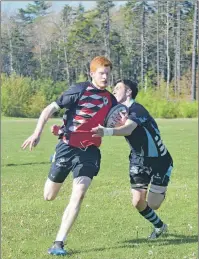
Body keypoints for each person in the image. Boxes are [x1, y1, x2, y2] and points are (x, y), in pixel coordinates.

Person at [21, 56, 118, 255]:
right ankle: (55, 158)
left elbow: (115, 121)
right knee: (49, 196)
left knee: (79, 194)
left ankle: (58, 243)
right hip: (66, 147)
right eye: (102, 73)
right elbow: (48, 109)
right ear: (92, 73)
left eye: (108, 74)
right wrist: (37, 133)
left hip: (89, 152)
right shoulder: (79, 90)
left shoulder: (110, 99)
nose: (105, 77)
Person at [91, 79, 173, 240]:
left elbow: (128, 129)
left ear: (128, 92)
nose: (113, 91)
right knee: (137, 202)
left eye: (117, 88)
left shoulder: (137, 109)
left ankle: (161, 188)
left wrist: (107, 131)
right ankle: (160, 226)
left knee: (154, 203)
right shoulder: (116, 111)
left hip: (160, 161)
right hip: (138, 160)